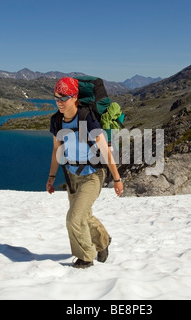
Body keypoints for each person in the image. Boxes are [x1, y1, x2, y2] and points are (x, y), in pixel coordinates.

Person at [46, 77, 123, 269]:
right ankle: (103, 241)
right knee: (83, 215)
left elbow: (104, 150)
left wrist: (116, 178)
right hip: (71, 176)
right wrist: (51, 177)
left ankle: (86, 257)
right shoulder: (56, 121)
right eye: (57, 98)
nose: (60, 102)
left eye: (64, 97)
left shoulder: (86, 118)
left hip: (93, 175)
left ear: (75, 97)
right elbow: (57, 150)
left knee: (74, 218)